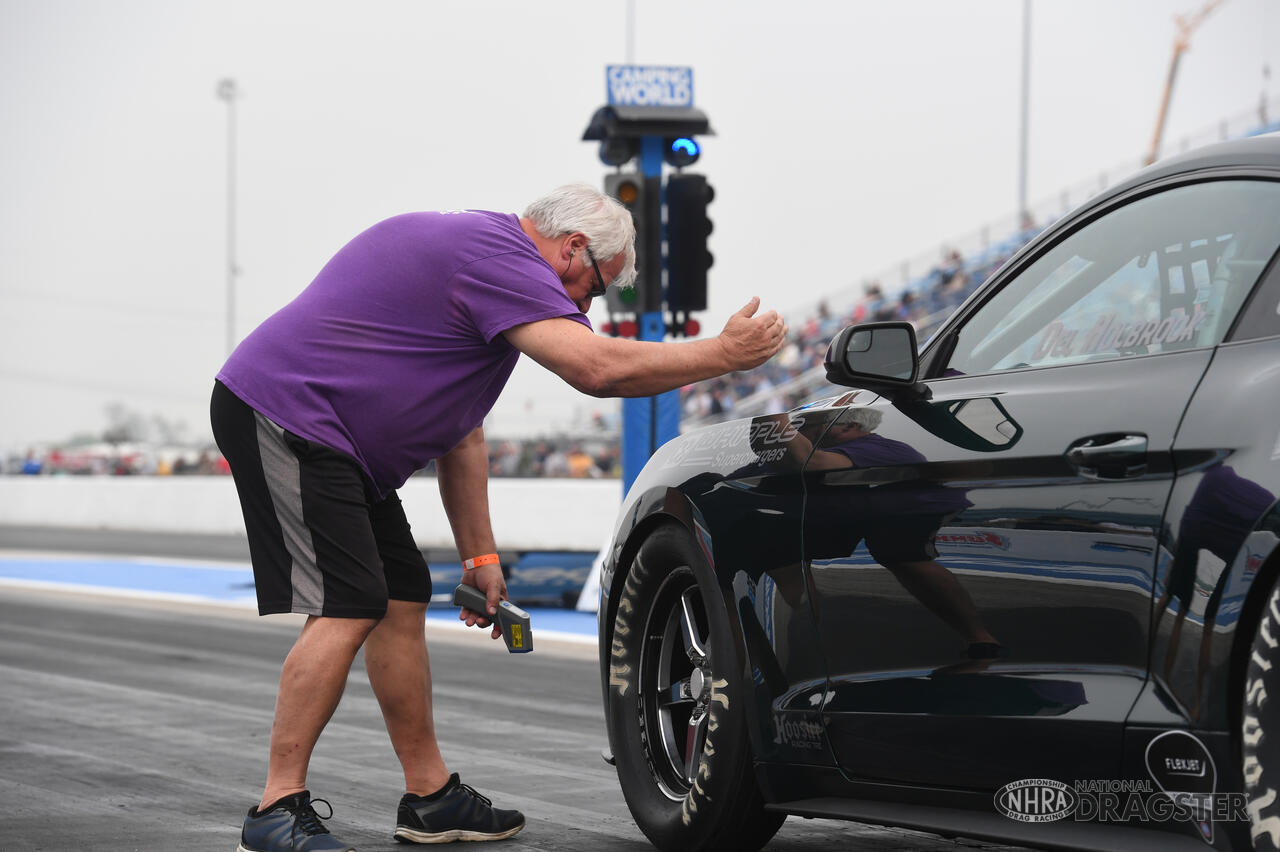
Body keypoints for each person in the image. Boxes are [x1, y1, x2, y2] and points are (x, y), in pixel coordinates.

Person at [209, 183, 786, 852]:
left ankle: (430, 798)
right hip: (286, 416)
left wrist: (481, 560)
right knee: (349, 602)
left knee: (399, 598)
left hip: (335, 442)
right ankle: (277, 806)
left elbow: (463, 436)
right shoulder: (498, 256)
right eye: (593, 290)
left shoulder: (490, 273)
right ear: (572, 250)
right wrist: (721, 354)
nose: (585, 309)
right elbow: (595, 370)